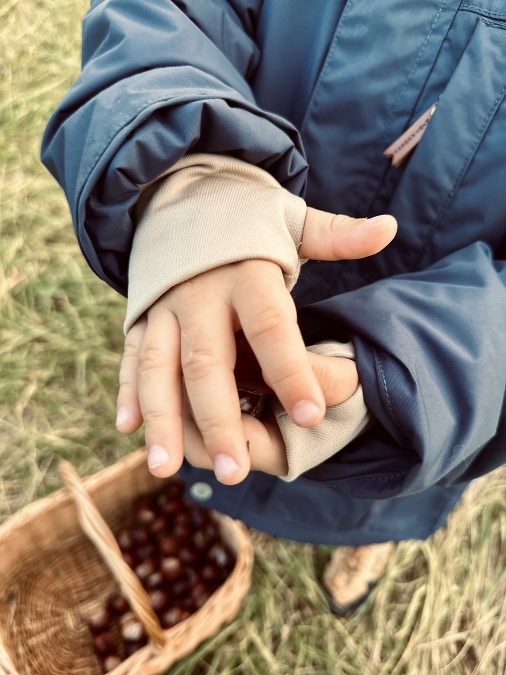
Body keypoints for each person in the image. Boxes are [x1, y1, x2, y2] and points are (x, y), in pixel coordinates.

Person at [41, 0, 506, 614]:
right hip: (224, 268)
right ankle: (217, 490)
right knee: (211, 399)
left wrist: (420, 378)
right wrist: (190, 172)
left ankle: (368, 541)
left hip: (430, 357)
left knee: (371, 485)